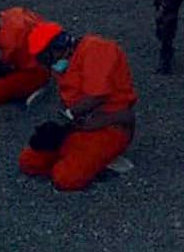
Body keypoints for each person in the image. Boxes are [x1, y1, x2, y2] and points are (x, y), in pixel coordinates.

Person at [18, 23, 137, 190]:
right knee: (28, 162)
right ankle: (90, 160)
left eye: (45, 58)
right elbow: (69, 101)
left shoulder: (97, 49)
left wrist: (65, 118)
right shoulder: (64, 61)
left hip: (109, 124)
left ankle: (94, 160)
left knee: (65, 179)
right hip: (79, 124)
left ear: (57, 48)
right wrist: (59, 127)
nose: (47, 64)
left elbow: (97, 96)